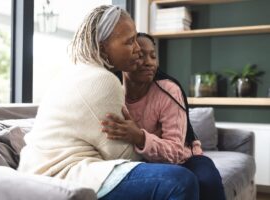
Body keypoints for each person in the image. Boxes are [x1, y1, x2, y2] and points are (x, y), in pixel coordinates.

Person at [18, 5, 199, 200]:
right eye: (130, 42)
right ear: (104, 46)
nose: (138, 49)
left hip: (35, 171)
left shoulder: (74, 72)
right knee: (180, 181)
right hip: (66, 174)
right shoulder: (103, 81)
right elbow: (123, 156)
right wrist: (140, 137)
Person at [101, 32, 226, 200]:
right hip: (141, 164)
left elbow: (175, 151)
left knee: (206, 182)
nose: (149, 62)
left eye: (153, 56)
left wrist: (139, 137)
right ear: (123, 60)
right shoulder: (111, 94)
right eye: (140, 55)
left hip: (186, 158)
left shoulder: (168, 91)